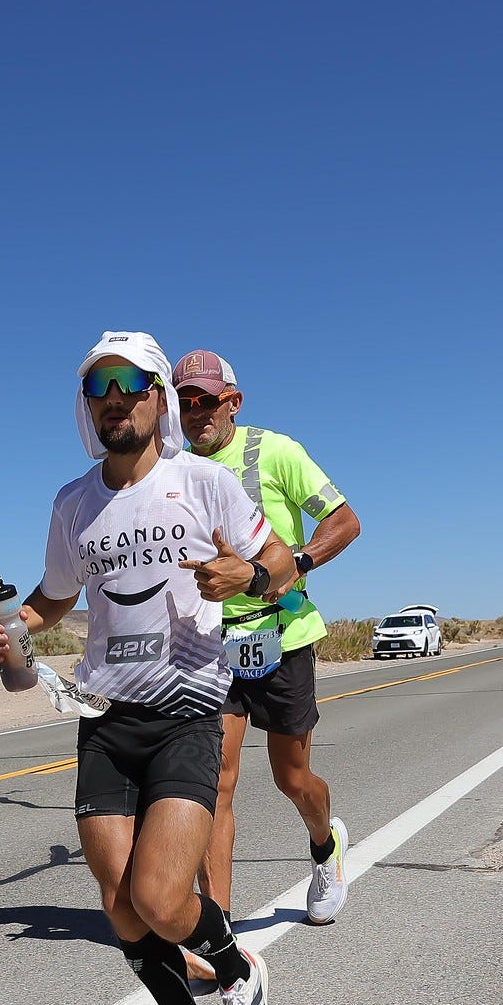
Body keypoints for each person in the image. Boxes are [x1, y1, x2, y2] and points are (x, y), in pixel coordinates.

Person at [0, 331, 296, 1005]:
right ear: (89, 407)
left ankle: (235, 970)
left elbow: (282, 563)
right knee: (120, 907)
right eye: (98, 386)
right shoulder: (73, 503)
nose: (114, 396)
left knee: (160, 896)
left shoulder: (204, 483)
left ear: (157, 396)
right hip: (105, 719)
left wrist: (248, 574)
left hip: (189, 707)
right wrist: (14, 627)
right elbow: (56, 597)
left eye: (129, 382)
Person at [172, 349, 363, 938]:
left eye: (206, 400)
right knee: (217, 781)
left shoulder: (275, 452)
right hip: (208, 644)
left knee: (291, 777)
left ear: (233, 400)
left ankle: (325, 845)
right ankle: (218, 928)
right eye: (184, 401)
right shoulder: (172, 469)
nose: (196, 412)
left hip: (281, 633)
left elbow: (345, 520)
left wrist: (295, 563)